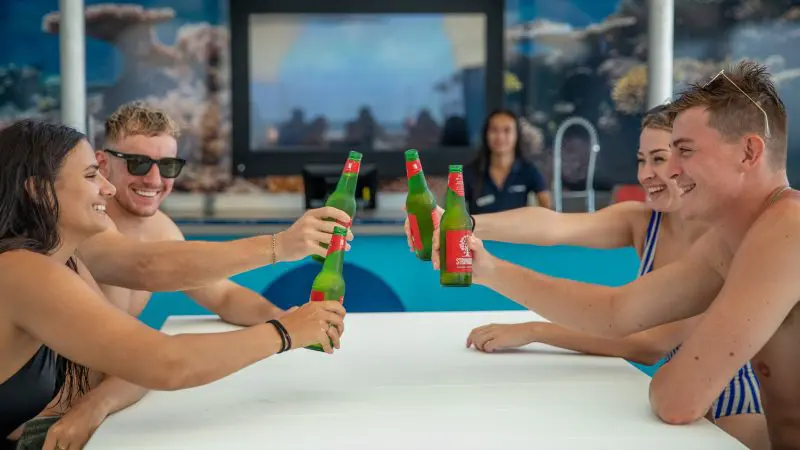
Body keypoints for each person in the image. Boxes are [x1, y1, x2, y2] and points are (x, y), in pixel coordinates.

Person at [441, 61, 799, 448]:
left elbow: (675, 398)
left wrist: (534, 330)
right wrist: (485, 267)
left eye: (684, 151)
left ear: (748, 152)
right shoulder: (730, 241)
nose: (669, 171)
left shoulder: (787, 229)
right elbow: (617, 312)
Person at [0, 119, 347, 450]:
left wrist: (96, 405)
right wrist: (285, 331)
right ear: (40, 191)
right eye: (92, 175)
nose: (107, 188)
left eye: (166, 166)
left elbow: (137, 364)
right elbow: (165, 361)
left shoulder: (67, 262)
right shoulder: (25, 272)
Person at [463, 109, 551, 213]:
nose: (500, 137)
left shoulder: (528, 170)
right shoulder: (470, 172)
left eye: (507, 130)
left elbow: (548, 209)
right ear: (486, 134)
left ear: (517, 135)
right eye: (494, 130)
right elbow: (451, 211)